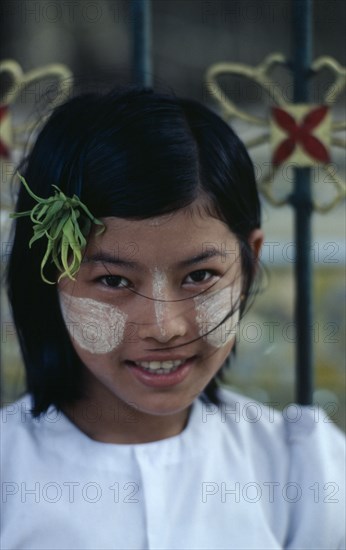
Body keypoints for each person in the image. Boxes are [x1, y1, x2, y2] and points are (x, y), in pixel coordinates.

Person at [1, 87, 345, 550]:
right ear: (51, 275)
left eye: (200, 276)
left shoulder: (303, 470)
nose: (165, 328)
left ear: (250, 262)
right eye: (114, 281)